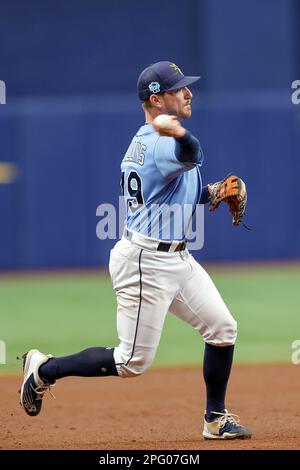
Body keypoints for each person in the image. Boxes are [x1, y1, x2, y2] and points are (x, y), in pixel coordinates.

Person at [20, 61, 252, 440]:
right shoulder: (163, 143)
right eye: (179, 89)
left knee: (223, 328)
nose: (188, 93)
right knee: (132, 362)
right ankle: (44, 369)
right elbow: (191, 153)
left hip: (177, 258)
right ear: (157, 99)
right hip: (147, 262)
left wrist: (211, 192)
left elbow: (172, 194)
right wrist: (178, 132)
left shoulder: (156, 142)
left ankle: (215, 419)